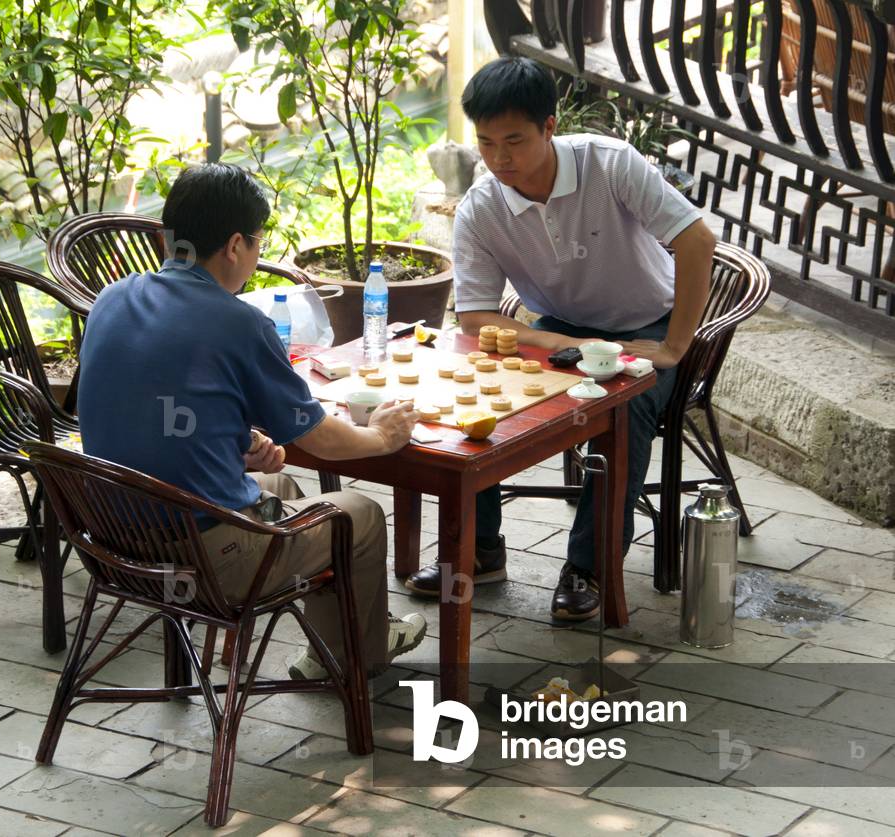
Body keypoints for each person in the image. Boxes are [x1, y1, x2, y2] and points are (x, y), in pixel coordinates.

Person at [77, 163, 427, 680]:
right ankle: (353, 654)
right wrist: (381, 435)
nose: (257, 260)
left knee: (278, 481)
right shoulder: (239, 321)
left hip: (110, 539)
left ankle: (335, 642)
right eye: (259, 245)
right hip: (200, 557)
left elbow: (146, 401)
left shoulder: (112, 297)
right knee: (359, 515)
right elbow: (322, 440)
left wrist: (239, 440)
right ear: (236, 244)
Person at [405, 57, 716, 621]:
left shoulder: (610, 164)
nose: (500, 159)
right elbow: (475, 315)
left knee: (625, 411)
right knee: (476, 398)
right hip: (559, 330)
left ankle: (589, 567)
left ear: (550, 127)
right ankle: (481, 549)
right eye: (486, 142)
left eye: (515, 141)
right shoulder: (481, 205)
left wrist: (674, 346)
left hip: (646, 326)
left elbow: (697, 240)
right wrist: (556, 346)